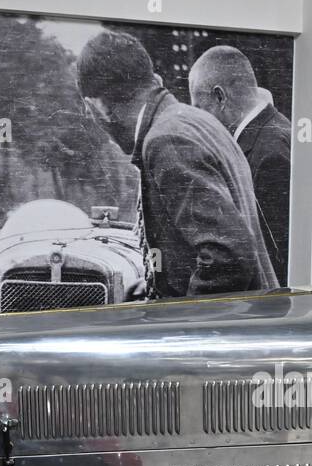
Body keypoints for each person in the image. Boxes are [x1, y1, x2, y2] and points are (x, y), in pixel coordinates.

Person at [76, 31, 275, 298]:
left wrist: (175, 321)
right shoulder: (192, 121)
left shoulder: (167, 140)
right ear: (151, 79)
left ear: (97, 106)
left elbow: (228, 258)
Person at [189, 45, 292, 286]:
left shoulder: (268, 155)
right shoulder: (276, 132)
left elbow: (275, 261)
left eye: (199, 110)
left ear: (220, 97)